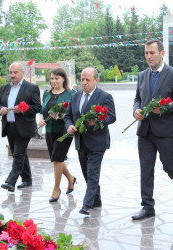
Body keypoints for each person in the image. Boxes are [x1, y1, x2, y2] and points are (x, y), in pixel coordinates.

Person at [132, 39, 173, 220]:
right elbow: (138, 99)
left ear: (162, 53)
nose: (149, 56)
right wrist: (136, 110)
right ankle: (147, 206)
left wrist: (164, 108)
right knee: (146, 169)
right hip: (145, 131)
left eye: (152, 53)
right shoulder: (142, 75)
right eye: (146, 53)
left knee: (170, 166)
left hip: (167, 131)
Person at [64, 67, 116, 215]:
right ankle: (96, 198)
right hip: (80, 141)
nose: (84, 83)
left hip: (97, 142)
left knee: (93, 173)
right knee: (87, 173)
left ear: (96, 80)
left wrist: (98, 120)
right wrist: (69, 126)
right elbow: (68, 116)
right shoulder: (75, 96)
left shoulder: (105, 96)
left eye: (88, 80)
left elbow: (111, 116)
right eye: (82, 79)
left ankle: (87, 204)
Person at [0, 62, 41, 192]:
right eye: (10, 72)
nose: (12, 75)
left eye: (15, 72)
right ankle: (27, 179)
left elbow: (38, 107)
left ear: (22, 72)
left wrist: (22, 109)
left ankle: (11, 182)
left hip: (25, 127)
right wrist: (1, 109)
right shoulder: (4, 88)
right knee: (21, 155)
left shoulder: (31, 88)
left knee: (18, 154)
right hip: (9, 126)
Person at [38, 68, 76, 203]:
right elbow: (43, 110)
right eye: (52, 78)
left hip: (64, 132)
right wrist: (41, 119)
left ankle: (56, 188)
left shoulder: (71, 94)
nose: (53, 81)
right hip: (49, 130)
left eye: (57, 78)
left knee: (58, 159)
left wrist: (60, 116)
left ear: (63, 79)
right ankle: (71, 178)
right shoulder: (47, 94)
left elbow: (73, 113)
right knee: (56, 160)